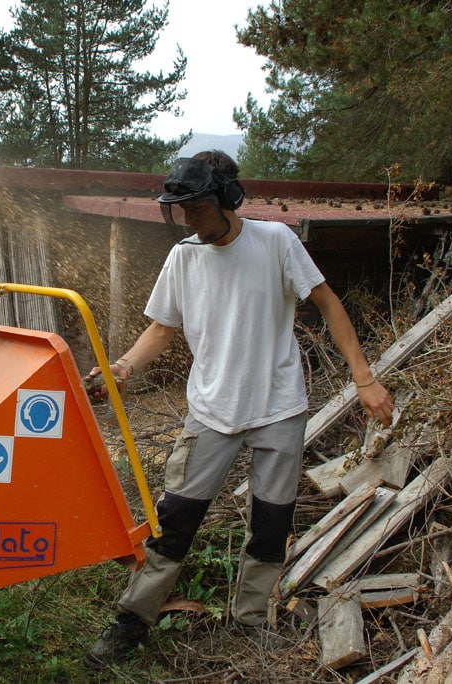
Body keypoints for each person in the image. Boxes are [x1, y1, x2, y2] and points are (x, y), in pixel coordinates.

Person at [84, 151, 395, 668]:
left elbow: (327, 302)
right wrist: (123, 367)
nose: (186, 219)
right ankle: (132, 620)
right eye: (178, 209)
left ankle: (250, 619)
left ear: (227, 198)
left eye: (195, 207)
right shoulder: (183, 256)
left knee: (271, 524)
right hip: (211, 411)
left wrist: (365, 379)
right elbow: (162, 327)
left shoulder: (276, 242)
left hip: (278, 408)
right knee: (174, 521)